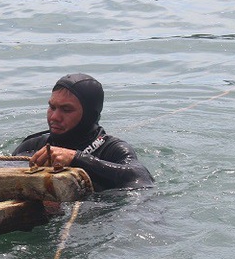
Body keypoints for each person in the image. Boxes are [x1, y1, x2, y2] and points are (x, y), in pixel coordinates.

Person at [12, 73, 154, 191]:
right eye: (52, 107)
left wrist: (76, 159)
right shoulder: (32, 146)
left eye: (66, 110)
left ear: (89, 115)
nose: (54, 117)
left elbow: (141, 177)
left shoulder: (112, 150)